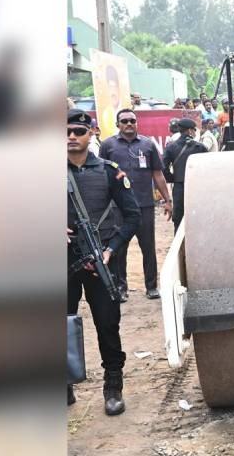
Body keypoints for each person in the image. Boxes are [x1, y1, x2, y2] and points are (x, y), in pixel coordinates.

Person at [67, 109, 140, 415]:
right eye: (67, 132)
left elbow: (133, 216)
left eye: (78, 131)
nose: (71, 137)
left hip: (100, 261)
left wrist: (112, 248)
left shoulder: (109, 171)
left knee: (107, 326)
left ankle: (113, 387)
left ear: (91, 133)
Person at [100, 108, 173, 301]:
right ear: (118, 125)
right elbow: (102, 175)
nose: (129, 124)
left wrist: (168, 200)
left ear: (137, 123)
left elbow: (157, 174)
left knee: (148, 247)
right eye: (124, 121)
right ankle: (121, 288)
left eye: (132, 120)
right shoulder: (108, 145)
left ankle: (151, 287)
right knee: (118, 248)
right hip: (118, 207)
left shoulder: (148, 145)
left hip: (144, 205)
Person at [162, 118, 208, 231]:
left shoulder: (171, 147)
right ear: (190, 131)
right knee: (197, 215)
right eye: (194, 130)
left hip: (179, 187)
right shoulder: (200, 147)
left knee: (178, 217)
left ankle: (180, 246)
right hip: (196, 187)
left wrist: (173, 179)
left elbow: (164, 168)